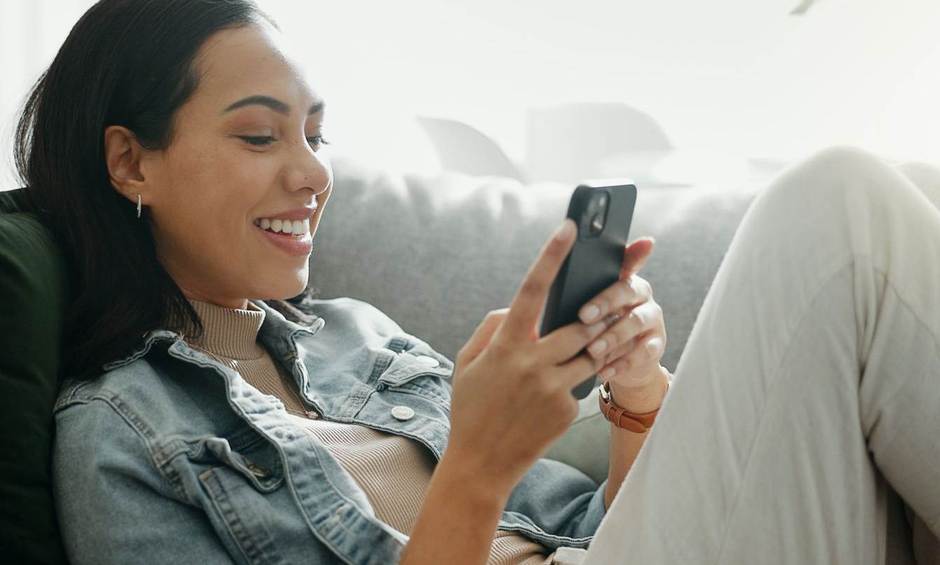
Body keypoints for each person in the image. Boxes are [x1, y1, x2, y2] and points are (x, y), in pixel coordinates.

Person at [11, 1, 937, 564]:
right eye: (261, 135)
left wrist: (638, 393)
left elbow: (594, 524)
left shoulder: (354, 336)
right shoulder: (118, 437)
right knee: (836, 212)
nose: (311, 173)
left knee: (848, 216)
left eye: (316, 135)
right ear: (130, 162)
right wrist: (476, 469)